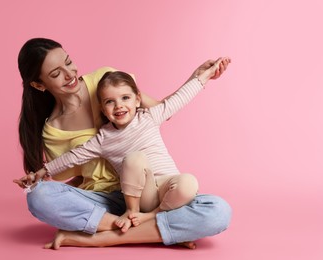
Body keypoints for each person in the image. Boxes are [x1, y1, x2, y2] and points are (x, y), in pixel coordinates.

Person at [13, 37, 232, 249]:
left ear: (135, 99)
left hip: (157, 192)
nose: (69, 74)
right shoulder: (60, 132)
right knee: (39, 196)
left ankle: (106, 237)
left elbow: (166, 107)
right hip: (108, 203)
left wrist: (197, 78)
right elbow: (77, 165)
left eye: (68, 62)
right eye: (56, 74)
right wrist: (46, 181)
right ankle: (161, 231)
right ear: (39, 85)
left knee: (219, 211)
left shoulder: (107, 81)